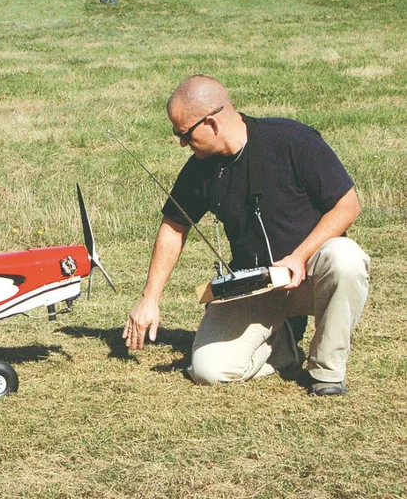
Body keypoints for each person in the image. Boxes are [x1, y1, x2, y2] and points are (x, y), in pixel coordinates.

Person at [123, 75, 370, 396]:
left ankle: (326, 372)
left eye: (183, 133)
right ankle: (283, 348)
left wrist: (300, 256)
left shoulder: (292, 141)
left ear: (211, 122)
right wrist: (150, 298)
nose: (181, 142)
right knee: (208, 370)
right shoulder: (200, 168)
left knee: (345, 258)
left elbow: (348, 206)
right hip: (256, 286)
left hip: (312, 277)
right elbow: (174, 226)